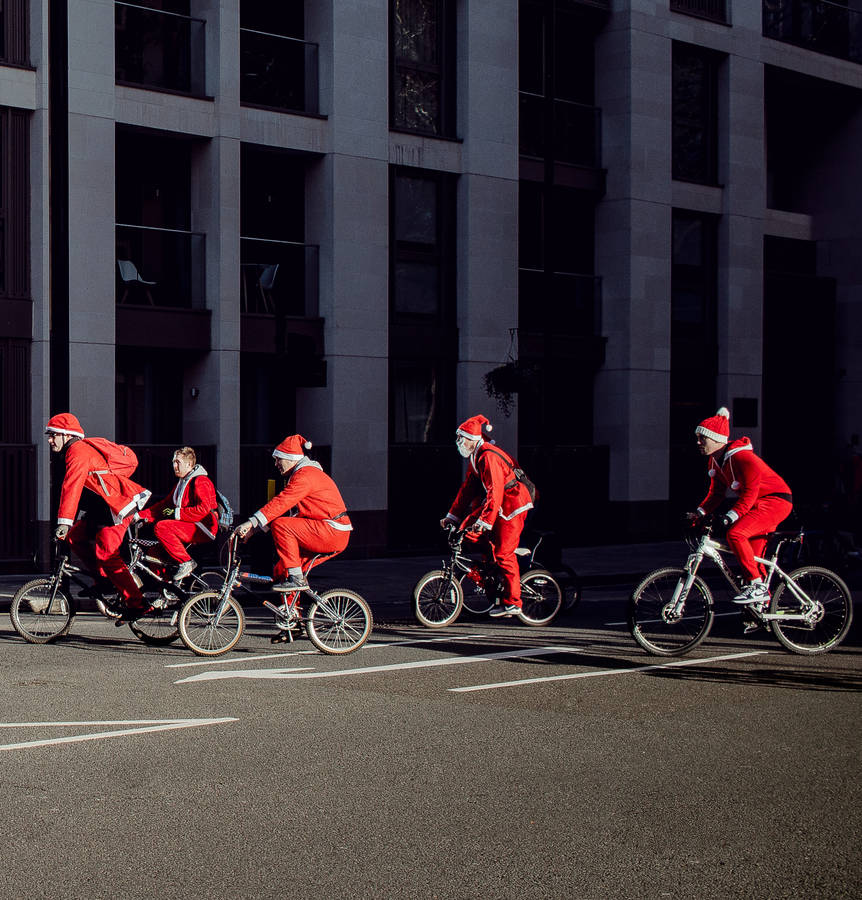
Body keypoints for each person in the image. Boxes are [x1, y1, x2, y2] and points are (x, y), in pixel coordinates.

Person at [46, 412, 152, 618]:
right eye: (49, 435)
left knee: (107, 554)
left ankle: (137, 604)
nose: (50, 440)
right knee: (75, 538)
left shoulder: (77, 451)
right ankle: (102, 581)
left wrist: (64, 521)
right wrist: (68, 525)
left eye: (53, 435)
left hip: (117, 507)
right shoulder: (69, 452)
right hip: (100, 508)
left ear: (66, 435)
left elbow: (72, 487)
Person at [688, 406, 793, 606]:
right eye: (698, 438)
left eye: (703, 438)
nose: (698, 442)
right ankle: (759, 608)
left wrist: (730, 516)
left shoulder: (743, 458)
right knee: (750, 557)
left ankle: (758, 588)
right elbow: (716, 494)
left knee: (736, 534)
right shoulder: (714, 462)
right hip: (759, 504)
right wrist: (699, 513)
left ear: (718, 439)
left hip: (776, 501)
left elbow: (750, 492)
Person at [441, 414, 534, 617]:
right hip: (499, 504)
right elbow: (467, 490)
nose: (458, 442)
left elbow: (496, 490)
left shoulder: (488, 456)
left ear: (472, 439)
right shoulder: (476, 457)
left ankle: (513, 603)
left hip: (513, 503)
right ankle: (494, 573)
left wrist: (485, 521)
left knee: (503, 553)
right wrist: (452, 517)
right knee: (467, 530)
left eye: (461, 438)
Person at [234, 434, 352, 593]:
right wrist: (254, 530)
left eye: (278, 459)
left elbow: (281, 504)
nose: (276, 464)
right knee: (283, 569)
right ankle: (291, 613)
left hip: (331, 530)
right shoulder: (302, 475)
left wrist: (250, 523)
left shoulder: (305, 475)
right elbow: (288, 512)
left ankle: (297, 579)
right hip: (328, 529)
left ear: (291, 458)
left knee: (281, 526)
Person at [138, 446, 218, 581]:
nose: (174, 466)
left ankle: (186, 562)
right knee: (154, 553)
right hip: (188, 527)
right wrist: (139, 516)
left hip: (203, 527)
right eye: (173, 462)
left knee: (162, 526)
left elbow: (203, 509)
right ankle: (166, 590)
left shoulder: (200, 481)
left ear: (189, 464)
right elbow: (164, 506)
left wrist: (177, 513)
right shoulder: (181, 483)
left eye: (178, 462)